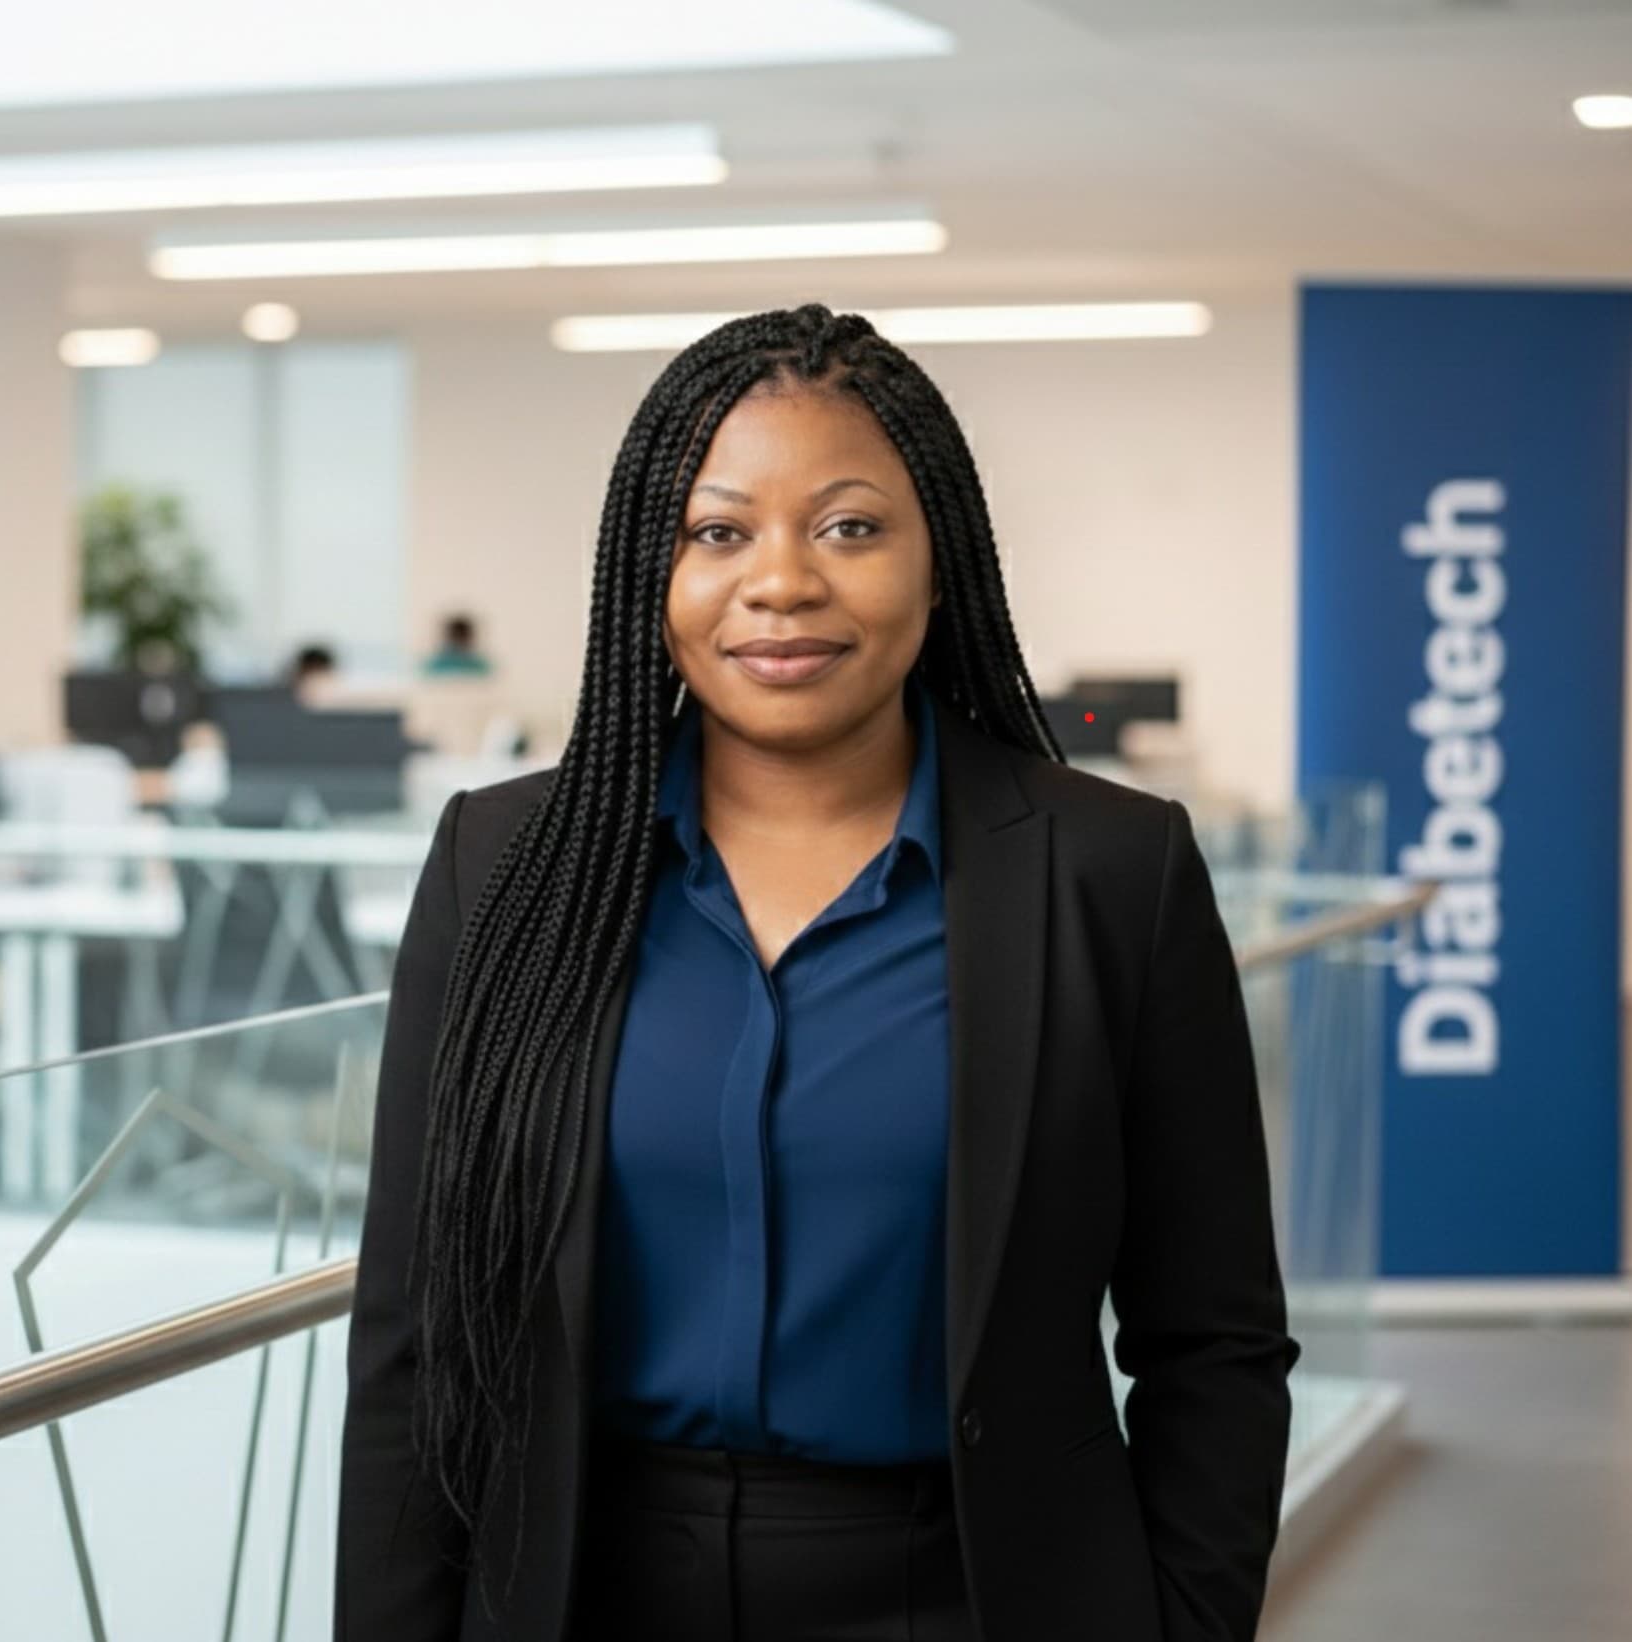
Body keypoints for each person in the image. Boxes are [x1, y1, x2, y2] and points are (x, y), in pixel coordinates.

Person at [336, 303, 1297, 1642]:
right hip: (582, 1590)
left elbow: (1213, 1341)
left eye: (847, 526)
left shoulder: (1107, 874)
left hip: (971, 1591)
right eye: (716, 532)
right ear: (645, 574)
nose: (779, 581)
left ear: (939, 556)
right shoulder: (504, 867)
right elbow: (414, 1337)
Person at [422, 612, 493, 677]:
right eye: (456, 636)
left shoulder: (480, 667)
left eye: (461, 636)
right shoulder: (435, 666)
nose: (458, 642)